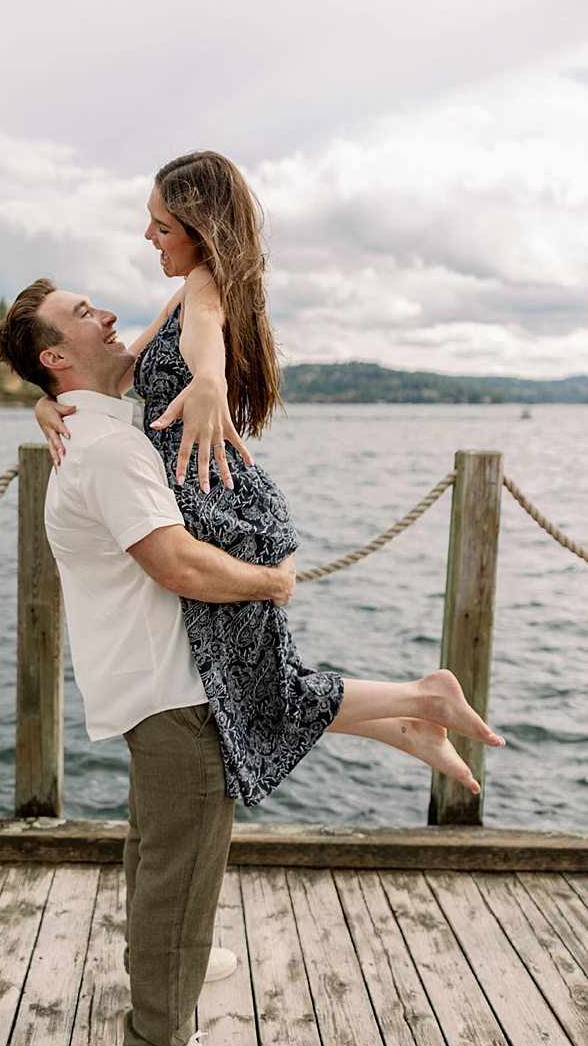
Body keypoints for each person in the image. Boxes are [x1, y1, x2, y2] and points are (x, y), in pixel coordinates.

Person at [0, 278, 500, 1046]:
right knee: (181, 865)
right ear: (55, 356)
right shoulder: (113, 451)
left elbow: (183, 304)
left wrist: (48, 404)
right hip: (173, 688)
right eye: (85, 314)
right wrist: (273, 581)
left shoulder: (95, 432)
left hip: (146, 678)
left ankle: (165, 963)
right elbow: (180, 564)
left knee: (157, 847)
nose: (109, 315)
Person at [34, 150, 501, 805]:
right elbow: (112, 371)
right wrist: (46, 400)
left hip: (230, 525)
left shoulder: (204, 288)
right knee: (259, 691)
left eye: (162, 225)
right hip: (221, 518)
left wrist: (209, 381)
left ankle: (422, 702)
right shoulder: (180, 293)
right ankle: (409, 727)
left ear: (199, 229)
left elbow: (205, 338)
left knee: (263, 693)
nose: (150, 237)